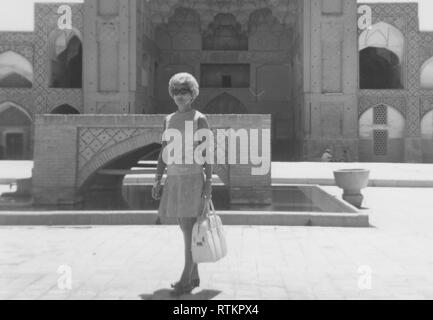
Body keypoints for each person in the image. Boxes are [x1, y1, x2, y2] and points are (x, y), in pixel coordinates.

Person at [151, 73, 212, 296]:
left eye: (184, 92)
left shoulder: (199, 119)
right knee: (185, 227)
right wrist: (157, 179)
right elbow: (163, 153)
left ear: (192, 94)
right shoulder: (168, 119)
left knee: (188, 229)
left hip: (193, 179)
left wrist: (208, 185)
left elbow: (207, 155)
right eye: (176, 92)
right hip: (174, 179)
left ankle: (185, 279)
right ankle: (194, 275)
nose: (179, 96)